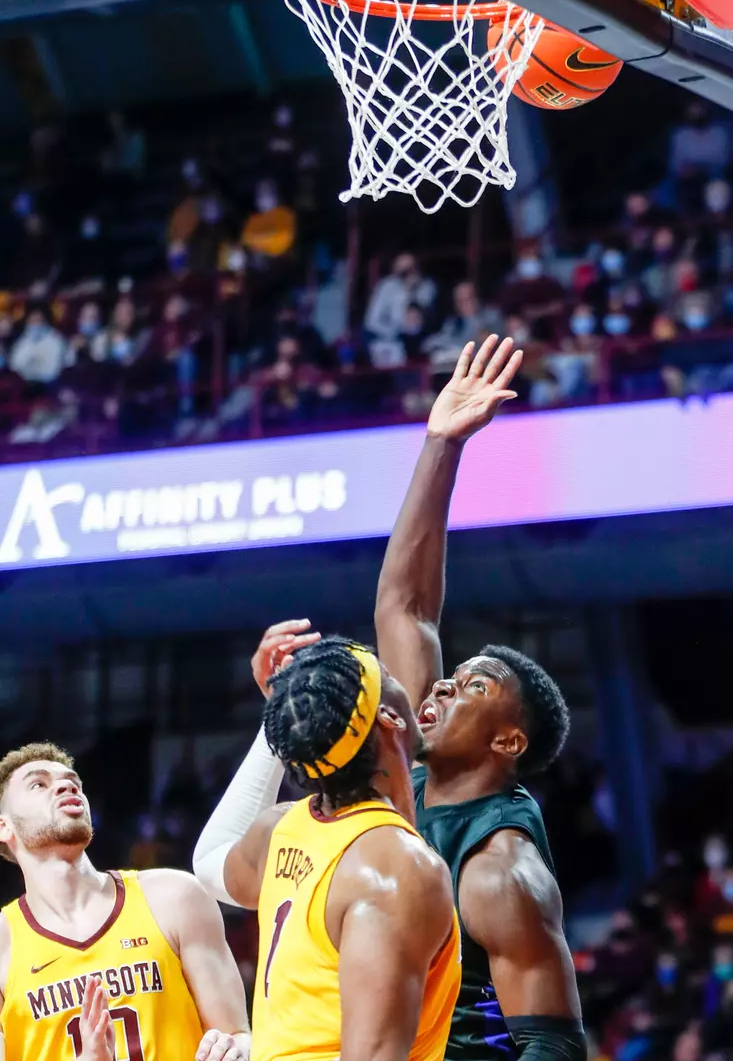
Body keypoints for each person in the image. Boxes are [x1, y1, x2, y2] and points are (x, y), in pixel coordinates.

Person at [373, 336, 585, 1061]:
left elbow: (554, 1045)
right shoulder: (418, 769)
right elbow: (406, 609)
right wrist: (440, 443)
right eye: (449, 676)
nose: (437, 687)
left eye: (472, 688)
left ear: (506, 741)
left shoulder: (499, 868)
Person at [193, 635, 461, 1061]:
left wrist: (285, 719)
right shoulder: (397, 871)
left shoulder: (282, 828)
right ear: (389, 717)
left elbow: (208, 864)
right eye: (388, 675)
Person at [0, 742, 249, 1061]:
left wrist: (236, 1049)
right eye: (39, 784)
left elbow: (238, 1035)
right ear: (4, 827)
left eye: (73, 782)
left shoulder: (175, 897)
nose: (65, 785)